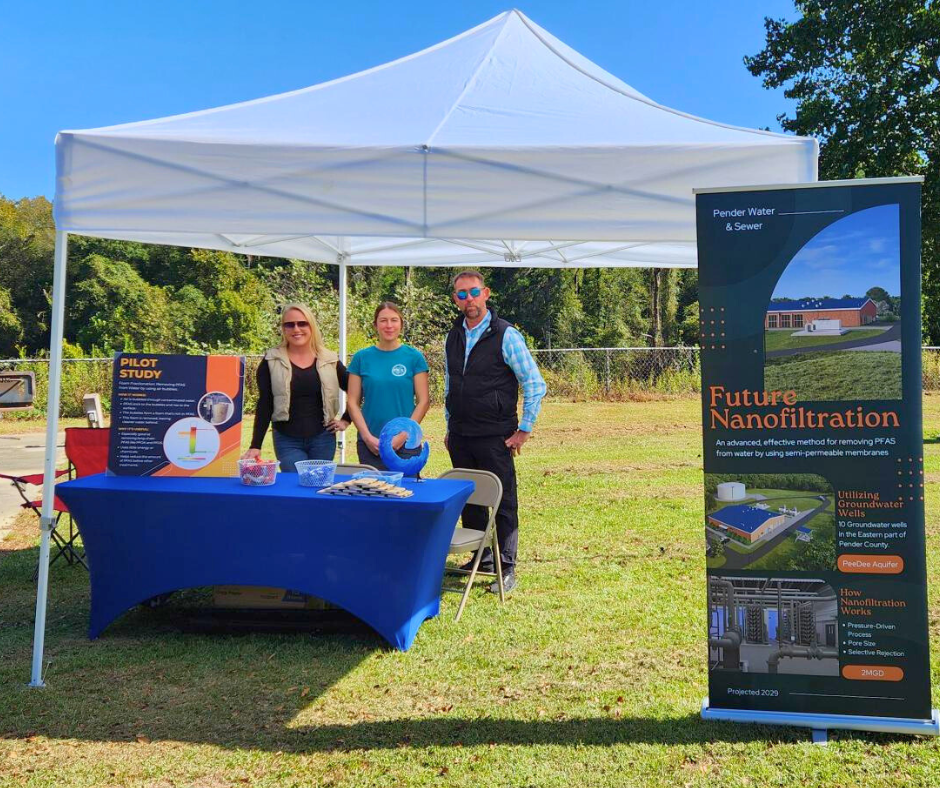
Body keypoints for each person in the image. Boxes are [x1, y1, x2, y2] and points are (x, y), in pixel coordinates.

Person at [444, 270, 546, 594]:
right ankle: (481, 558)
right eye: (461, 294)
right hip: (461, 434)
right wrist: (449, 426)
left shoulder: (506, 335)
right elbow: (450, 384)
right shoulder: (453, 336)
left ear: (486, 293)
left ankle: (507, 568)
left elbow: (534, 383)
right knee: (470, 499)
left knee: (503, 502)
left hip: (495, 435)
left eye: (473, 292)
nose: (468, 299)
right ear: (455, 300)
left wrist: (524, 430)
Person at [242, 303, 349, 471]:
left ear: (311, 326)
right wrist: (256, 445)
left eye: (302, 323)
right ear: (283, 329)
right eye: (289, 324)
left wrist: (346, 420)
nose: (296, 329)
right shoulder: (271, 360)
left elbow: (356, 390)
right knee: (295, 485)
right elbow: (265, 404)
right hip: (287, 439)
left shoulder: (330, 359)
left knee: (318, 487)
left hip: (323, 439)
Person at [347, 301, 430, 469]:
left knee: (406, 494)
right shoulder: (361, 358)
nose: (389, 325)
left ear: (401, 324)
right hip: (371, 444)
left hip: (406, 444)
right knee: (373, 492)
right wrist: (367, 437)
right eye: (383, 320)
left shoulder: (414, 357)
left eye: (394, 320)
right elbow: (352, 402)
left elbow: (424, 401)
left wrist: (404, 435)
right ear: (375, 324)